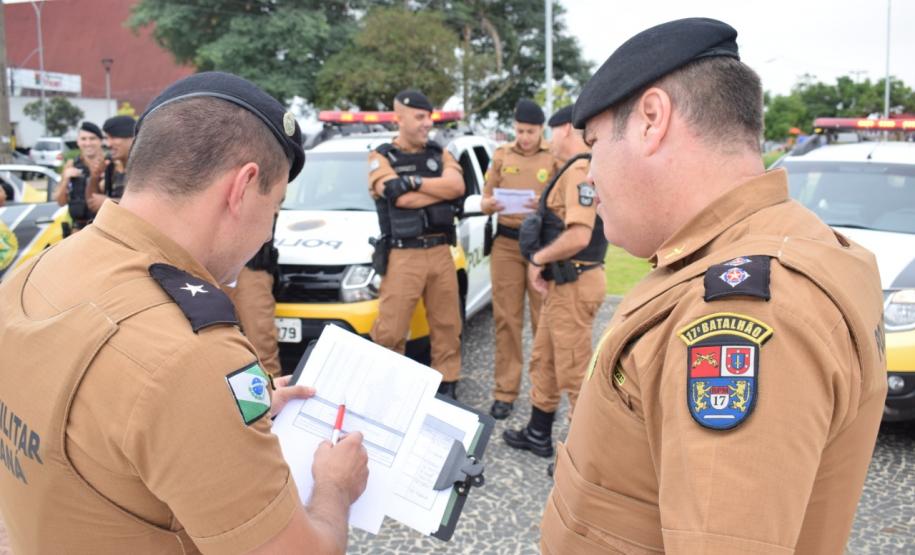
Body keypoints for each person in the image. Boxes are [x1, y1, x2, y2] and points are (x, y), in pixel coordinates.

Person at [540, 18, 886, 554]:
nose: (589, 174)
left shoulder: (748, 310)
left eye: (596, 145)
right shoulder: (743, 248)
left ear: (652, 120)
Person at [0, 72, 368, 553]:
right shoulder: (192, 354)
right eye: (273, 209)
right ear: (242, 187)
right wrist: (335, 488)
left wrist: (225, 413)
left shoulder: (39, 269)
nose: (264, 235)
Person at [503, 105, 607, 464]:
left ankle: (583, 459)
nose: (548, 139)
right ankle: (538, 433)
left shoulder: (580, 169)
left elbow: (579, 234)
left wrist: (538, 258)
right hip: (563, 283)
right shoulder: (572, 169)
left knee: (574, 369)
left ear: (564, 129)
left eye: (550, 131)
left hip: (574, 280)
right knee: (544, 359)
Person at [367, 89, 465, 399]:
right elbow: (398, 195)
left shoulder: (440, 153)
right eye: (420, 117)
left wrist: (413, 182)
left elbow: (457, 186)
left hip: (440, 251)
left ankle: (447, 387)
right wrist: (436, 190)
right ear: (400, 118)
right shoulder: (381, 156)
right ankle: (386, 391)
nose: (427, 124)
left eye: (429, 117)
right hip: (403, 255)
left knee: (447, 326)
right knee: (391, 330)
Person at [481, 99, 555, 419]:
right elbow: (485, 198)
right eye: (520, 130)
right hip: (507, 245)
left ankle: (542, 394)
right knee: (507, 320)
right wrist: (490, 205)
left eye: (531, 131)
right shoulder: (501, 155)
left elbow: (564, 201)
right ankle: (505, 392)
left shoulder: (554, 157)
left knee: (543, 322)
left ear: (541, 129)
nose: (525, 137)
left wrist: (545, 204)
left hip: (540, 246)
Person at [227, 218, 282, 377]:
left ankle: (272, 396)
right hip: (215, 261)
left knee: (261, 344)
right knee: (219, 341)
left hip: (252, 264)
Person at [54, 121, 105, 231]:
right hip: (78, 228)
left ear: (100, 141)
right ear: (78, 142)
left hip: (103, 228)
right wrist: (66, 180)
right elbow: (60, 202)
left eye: (92, 138)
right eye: (83, 139)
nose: (88, 143)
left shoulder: (108, 164)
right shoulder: (71, 164)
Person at [86, 115, 136, 213]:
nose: (108, 144)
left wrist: (109, 202)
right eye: (107, 138)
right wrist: (94, 177)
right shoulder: (112, 167)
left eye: (113, 137)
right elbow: (92, 203)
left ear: (132, 138)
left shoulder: (145, 168)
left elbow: (150, 206)